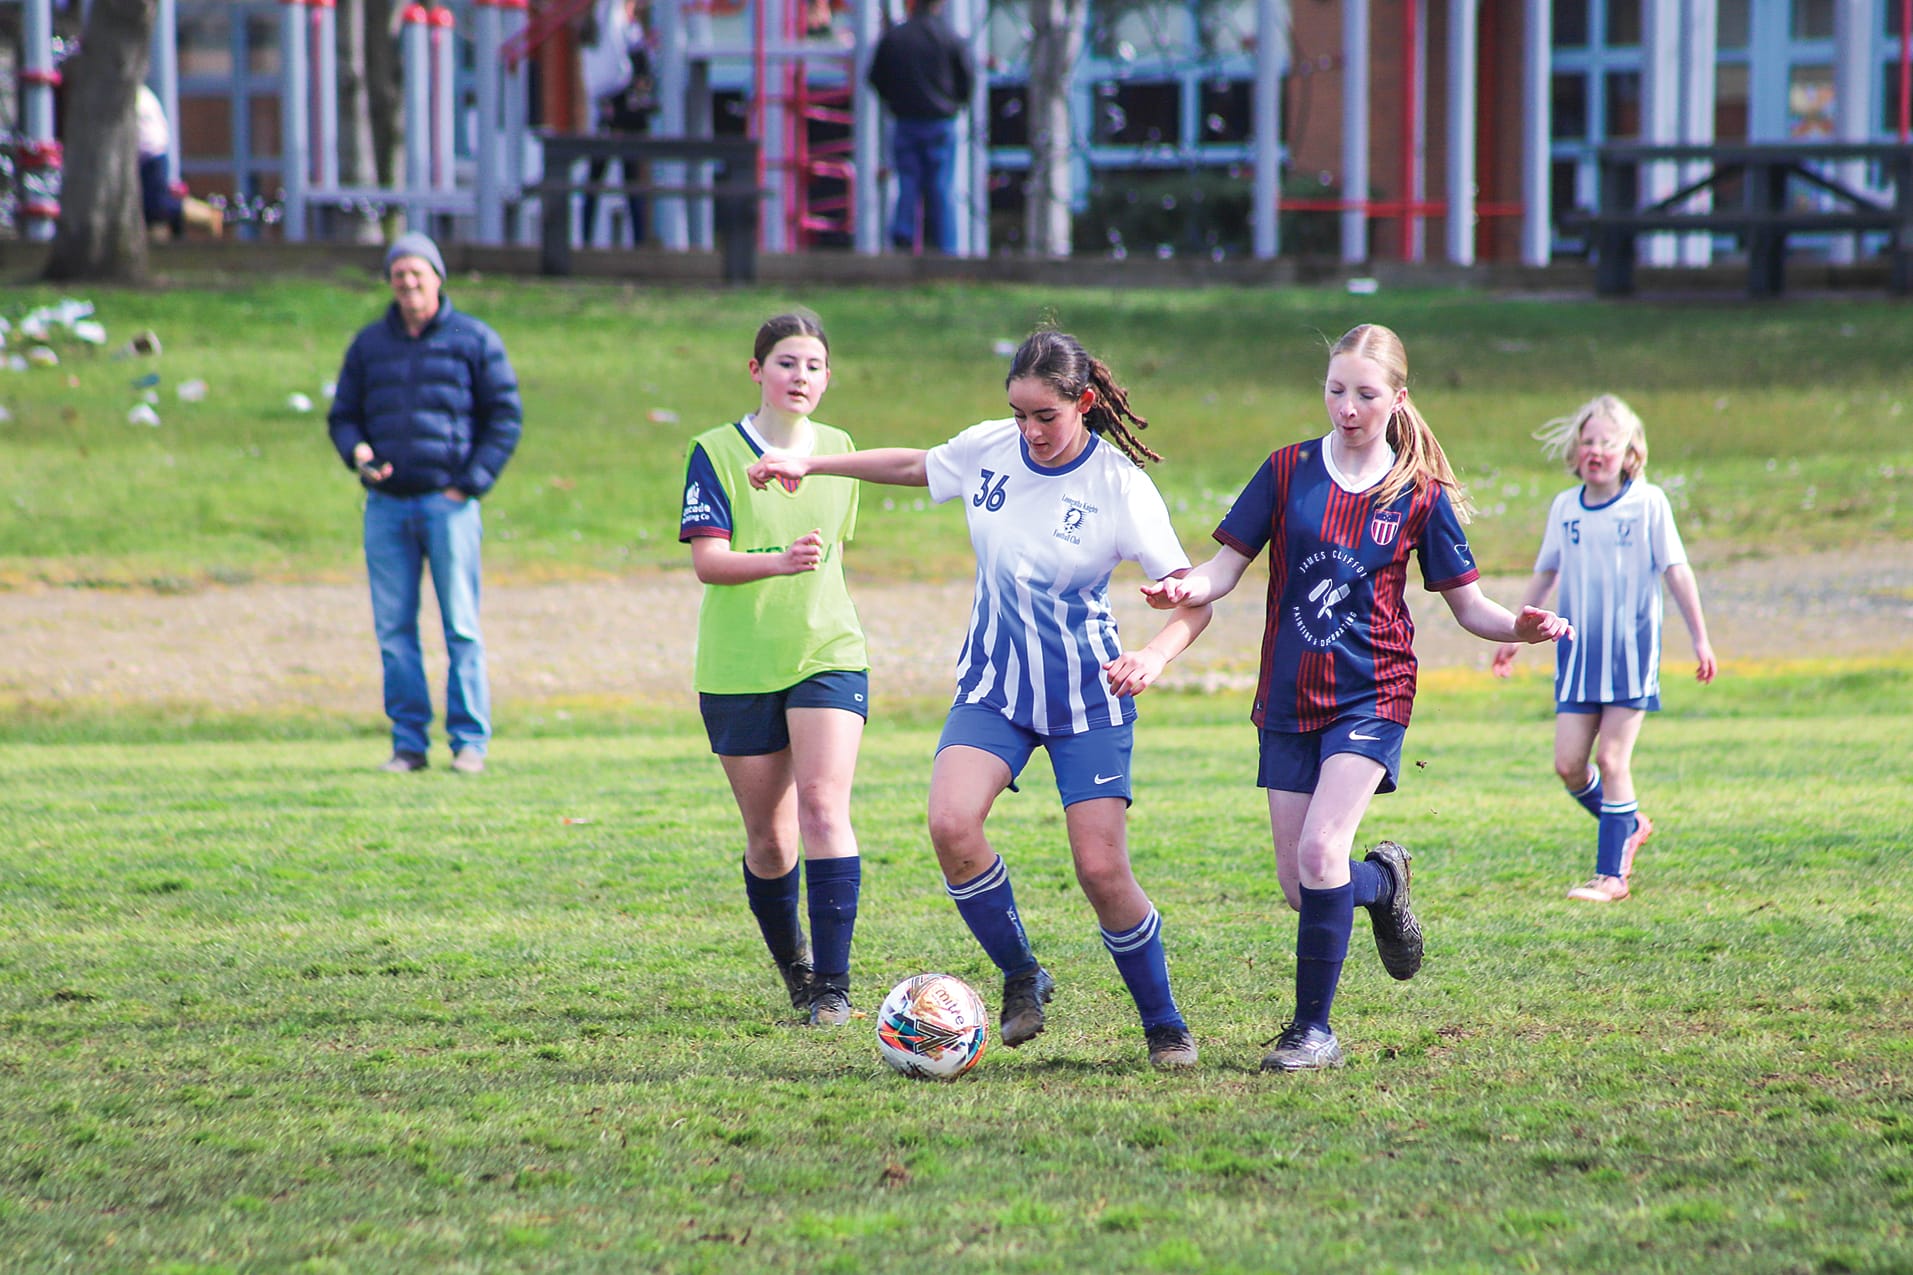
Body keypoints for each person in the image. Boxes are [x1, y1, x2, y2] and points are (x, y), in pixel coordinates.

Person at [748, 329, 1214, 1069]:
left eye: (1044, 416)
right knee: (949, 823)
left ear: (1083, 404)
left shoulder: (1118, 485)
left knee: (1100, 871)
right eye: (1017, 412)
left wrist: (1152, 655)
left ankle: (1163, 1024)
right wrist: (810, 460)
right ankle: (1022, 974)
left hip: (1084, 697)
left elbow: (1192, 599)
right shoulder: (991, 446)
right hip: (995, 686)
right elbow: (912, 463)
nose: (1027, 431)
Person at [1146, 323, 1572, 1072]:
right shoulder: (1285, 471)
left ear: (1396, 398)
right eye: (1335, 390)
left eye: (1364, 394)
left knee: (1319, 851)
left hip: (1372, 693)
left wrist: (1521, 627)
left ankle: (1313, 1031)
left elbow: (1469, 608)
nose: (1346, 407)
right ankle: (1383, 883)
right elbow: (1222, 569)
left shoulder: (1417, 495)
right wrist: (1186, 584)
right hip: (1285, 695)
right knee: (1299, 884)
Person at [678, 311, 870, 1028]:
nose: (801, 377)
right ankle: (795, 966)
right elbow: (708, 561)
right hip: (738, 665)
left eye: (814, 365)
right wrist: (777, 562)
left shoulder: (841, 450)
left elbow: (834, 557)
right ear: (755, 370)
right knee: (770, 838)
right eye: (787, 362)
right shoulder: (714, 450)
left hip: (827, 652)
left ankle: (833, 987)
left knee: (824, 806)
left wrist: (803, 576)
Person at [1490, 394, 1717, 903]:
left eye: (1607, 442)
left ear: (1629, 451)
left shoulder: (1648, 502)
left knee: (1613, 760)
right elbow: (1546, 573)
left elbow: (1676, 571)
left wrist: (1700, 638)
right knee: (1570, 766)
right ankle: (1629, 822)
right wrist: (1514, 633)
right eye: (1587, 441)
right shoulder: (1564, 508)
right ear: (1575, 452)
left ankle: (1610, 877)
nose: (1596, 450)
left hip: (1631, 655)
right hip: (1576, 657)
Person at [327, 232, 522, 775]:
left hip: (449, 506)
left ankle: (469, 743)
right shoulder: (369, 346)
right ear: (390, 284)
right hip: (386, 507)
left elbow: (504, 416)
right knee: (394, 629)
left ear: (437, 278)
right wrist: (358, 452)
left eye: (418, 274)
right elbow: (343, 416)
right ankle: (409, 744)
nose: (408, 284)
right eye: (398, 276)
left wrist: (471, 482)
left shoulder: (474, 340)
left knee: (460, 625)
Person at [866, 0, 974, 255]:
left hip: (906, 121)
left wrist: (895, 101)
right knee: (941, 187)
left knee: (908, 182)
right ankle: (945, 246)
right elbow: (967, 81)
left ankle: (903, 236)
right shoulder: (950, 37)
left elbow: (875, 78)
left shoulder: (895, 38)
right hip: (941, 123)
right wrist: (953, 104)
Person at [579, 0, 654, 246]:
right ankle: (594, 240)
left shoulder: (612, 29)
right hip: (616, 108)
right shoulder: (610, 23)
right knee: (617, 178)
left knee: (612, 179)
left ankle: (591, 240)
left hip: (613, 110)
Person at [135, 84, 221, 240]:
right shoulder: (139, 93)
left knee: (154, 206)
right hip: (147, 154)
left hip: (148, 154)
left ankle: (206, 216)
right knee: (146, 207)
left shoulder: (133, 94)